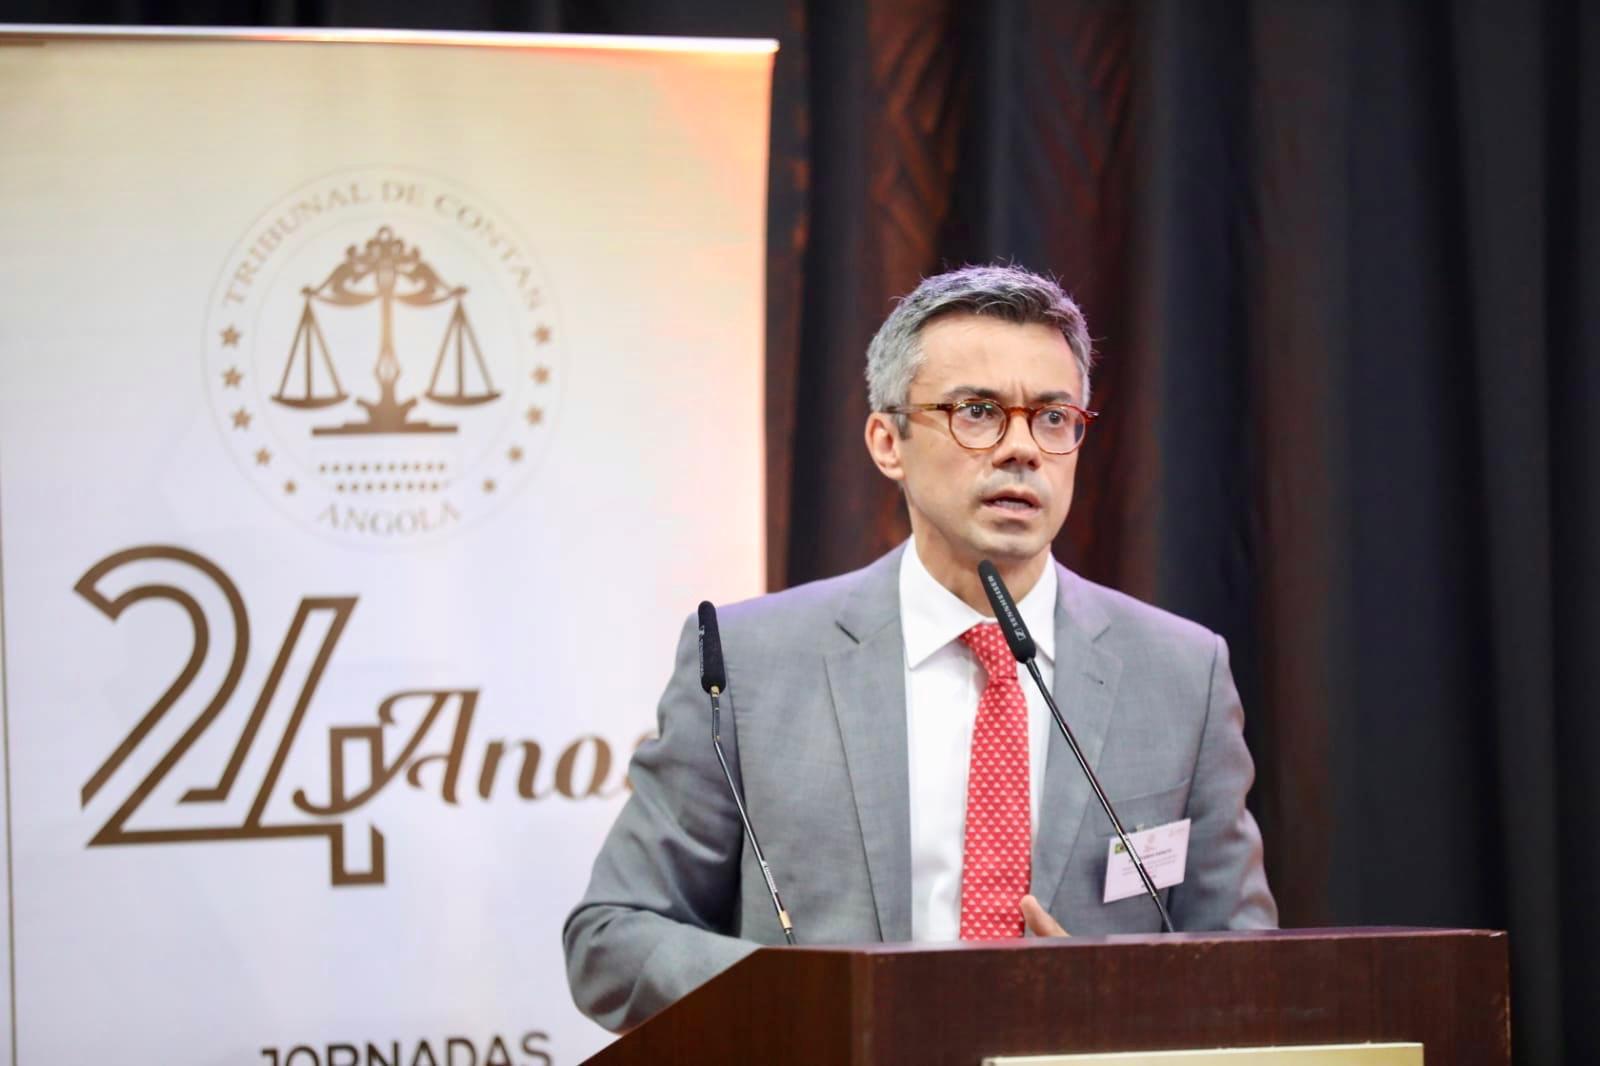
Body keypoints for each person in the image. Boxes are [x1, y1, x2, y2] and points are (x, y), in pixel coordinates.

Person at [563, 264, 1277, 1032]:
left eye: (1052, 417)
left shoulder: (1181, 675)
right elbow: (612, 938)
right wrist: (813, 1000)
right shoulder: (749, 663)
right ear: (887, 441)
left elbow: (1250, 975)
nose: (1022, 449)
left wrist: (1111, 1004)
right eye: (978, 412)